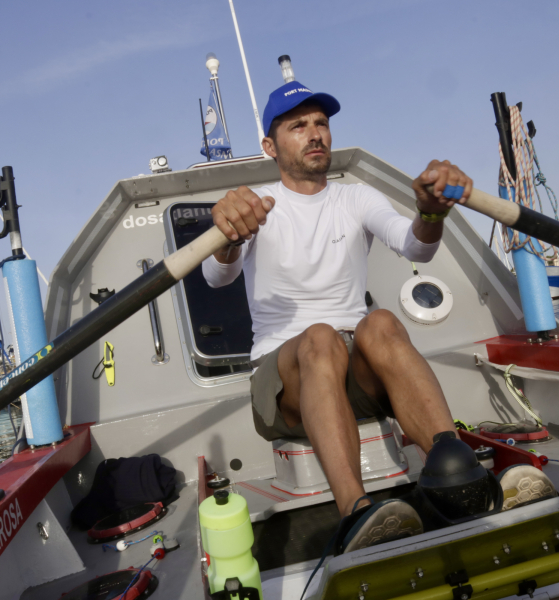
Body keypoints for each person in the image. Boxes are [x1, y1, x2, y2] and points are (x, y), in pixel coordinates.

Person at [202, 80, 473, 553]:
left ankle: (458, 472)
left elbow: (415, 247)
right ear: (270, 145)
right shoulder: (256, 204)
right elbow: (216, 277)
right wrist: (227, 233)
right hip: (283, 382)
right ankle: (357, 513)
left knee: (382, 323)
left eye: (321, 123)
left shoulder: (356, 198)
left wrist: (431, 214)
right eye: (298, 125)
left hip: (353, 370)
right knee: (320, 337)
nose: (315, 134)